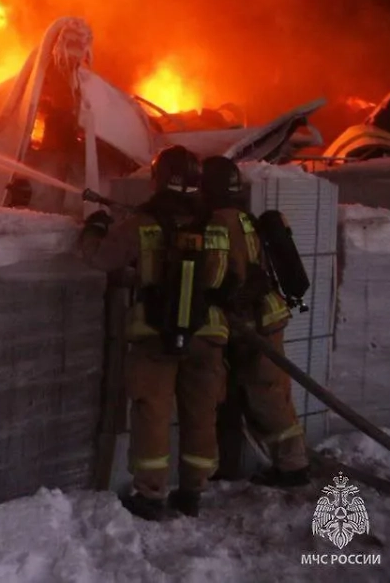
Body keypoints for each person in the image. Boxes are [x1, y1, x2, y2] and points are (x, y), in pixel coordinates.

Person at [78, 145, 231, 520]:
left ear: (159, 180)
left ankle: (150, 494)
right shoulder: (217, 224)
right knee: (201, 412)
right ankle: (193, 491)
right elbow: (225, 277)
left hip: (155, 334)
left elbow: (100, 257)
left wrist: (95, 228)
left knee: (153, 411)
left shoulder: (143, 223)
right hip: (208, 333)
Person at [200, 155, 310, 488]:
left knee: (267, 396)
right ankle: (291, 462)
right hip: (266, 315)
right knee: (271, 391)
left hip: (254, 321)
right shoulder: (244, 217)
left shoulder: (217, 223)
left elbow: (214, 275)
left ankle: (293, 466)